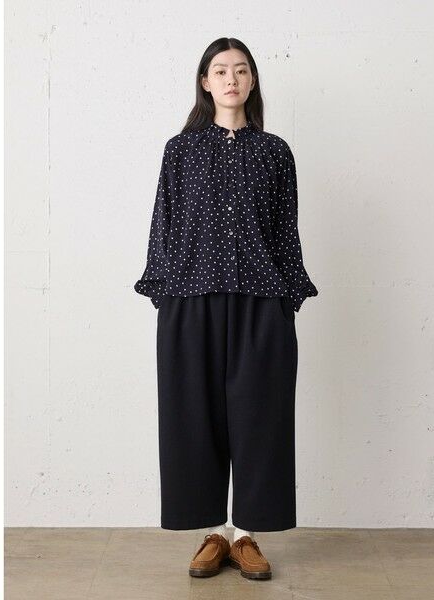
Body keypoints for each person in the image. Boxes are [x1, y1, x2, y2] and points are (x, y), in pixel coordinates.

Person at [134, 37, 319, 580]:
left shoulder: (274, 152)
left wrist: (287, 299)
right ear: (205, 82)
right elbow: (164, 224)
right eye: (220, 70)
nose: (231, 79)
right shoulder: (180, 150)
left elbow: (286, 230)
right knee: (193, 418)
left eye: (240, 70)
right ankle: (214, 533)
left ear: (252, 80)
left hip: (262, 300)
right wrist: (165, 294)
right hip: (190, 298)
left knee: (261, 419)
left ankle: (247, 536)